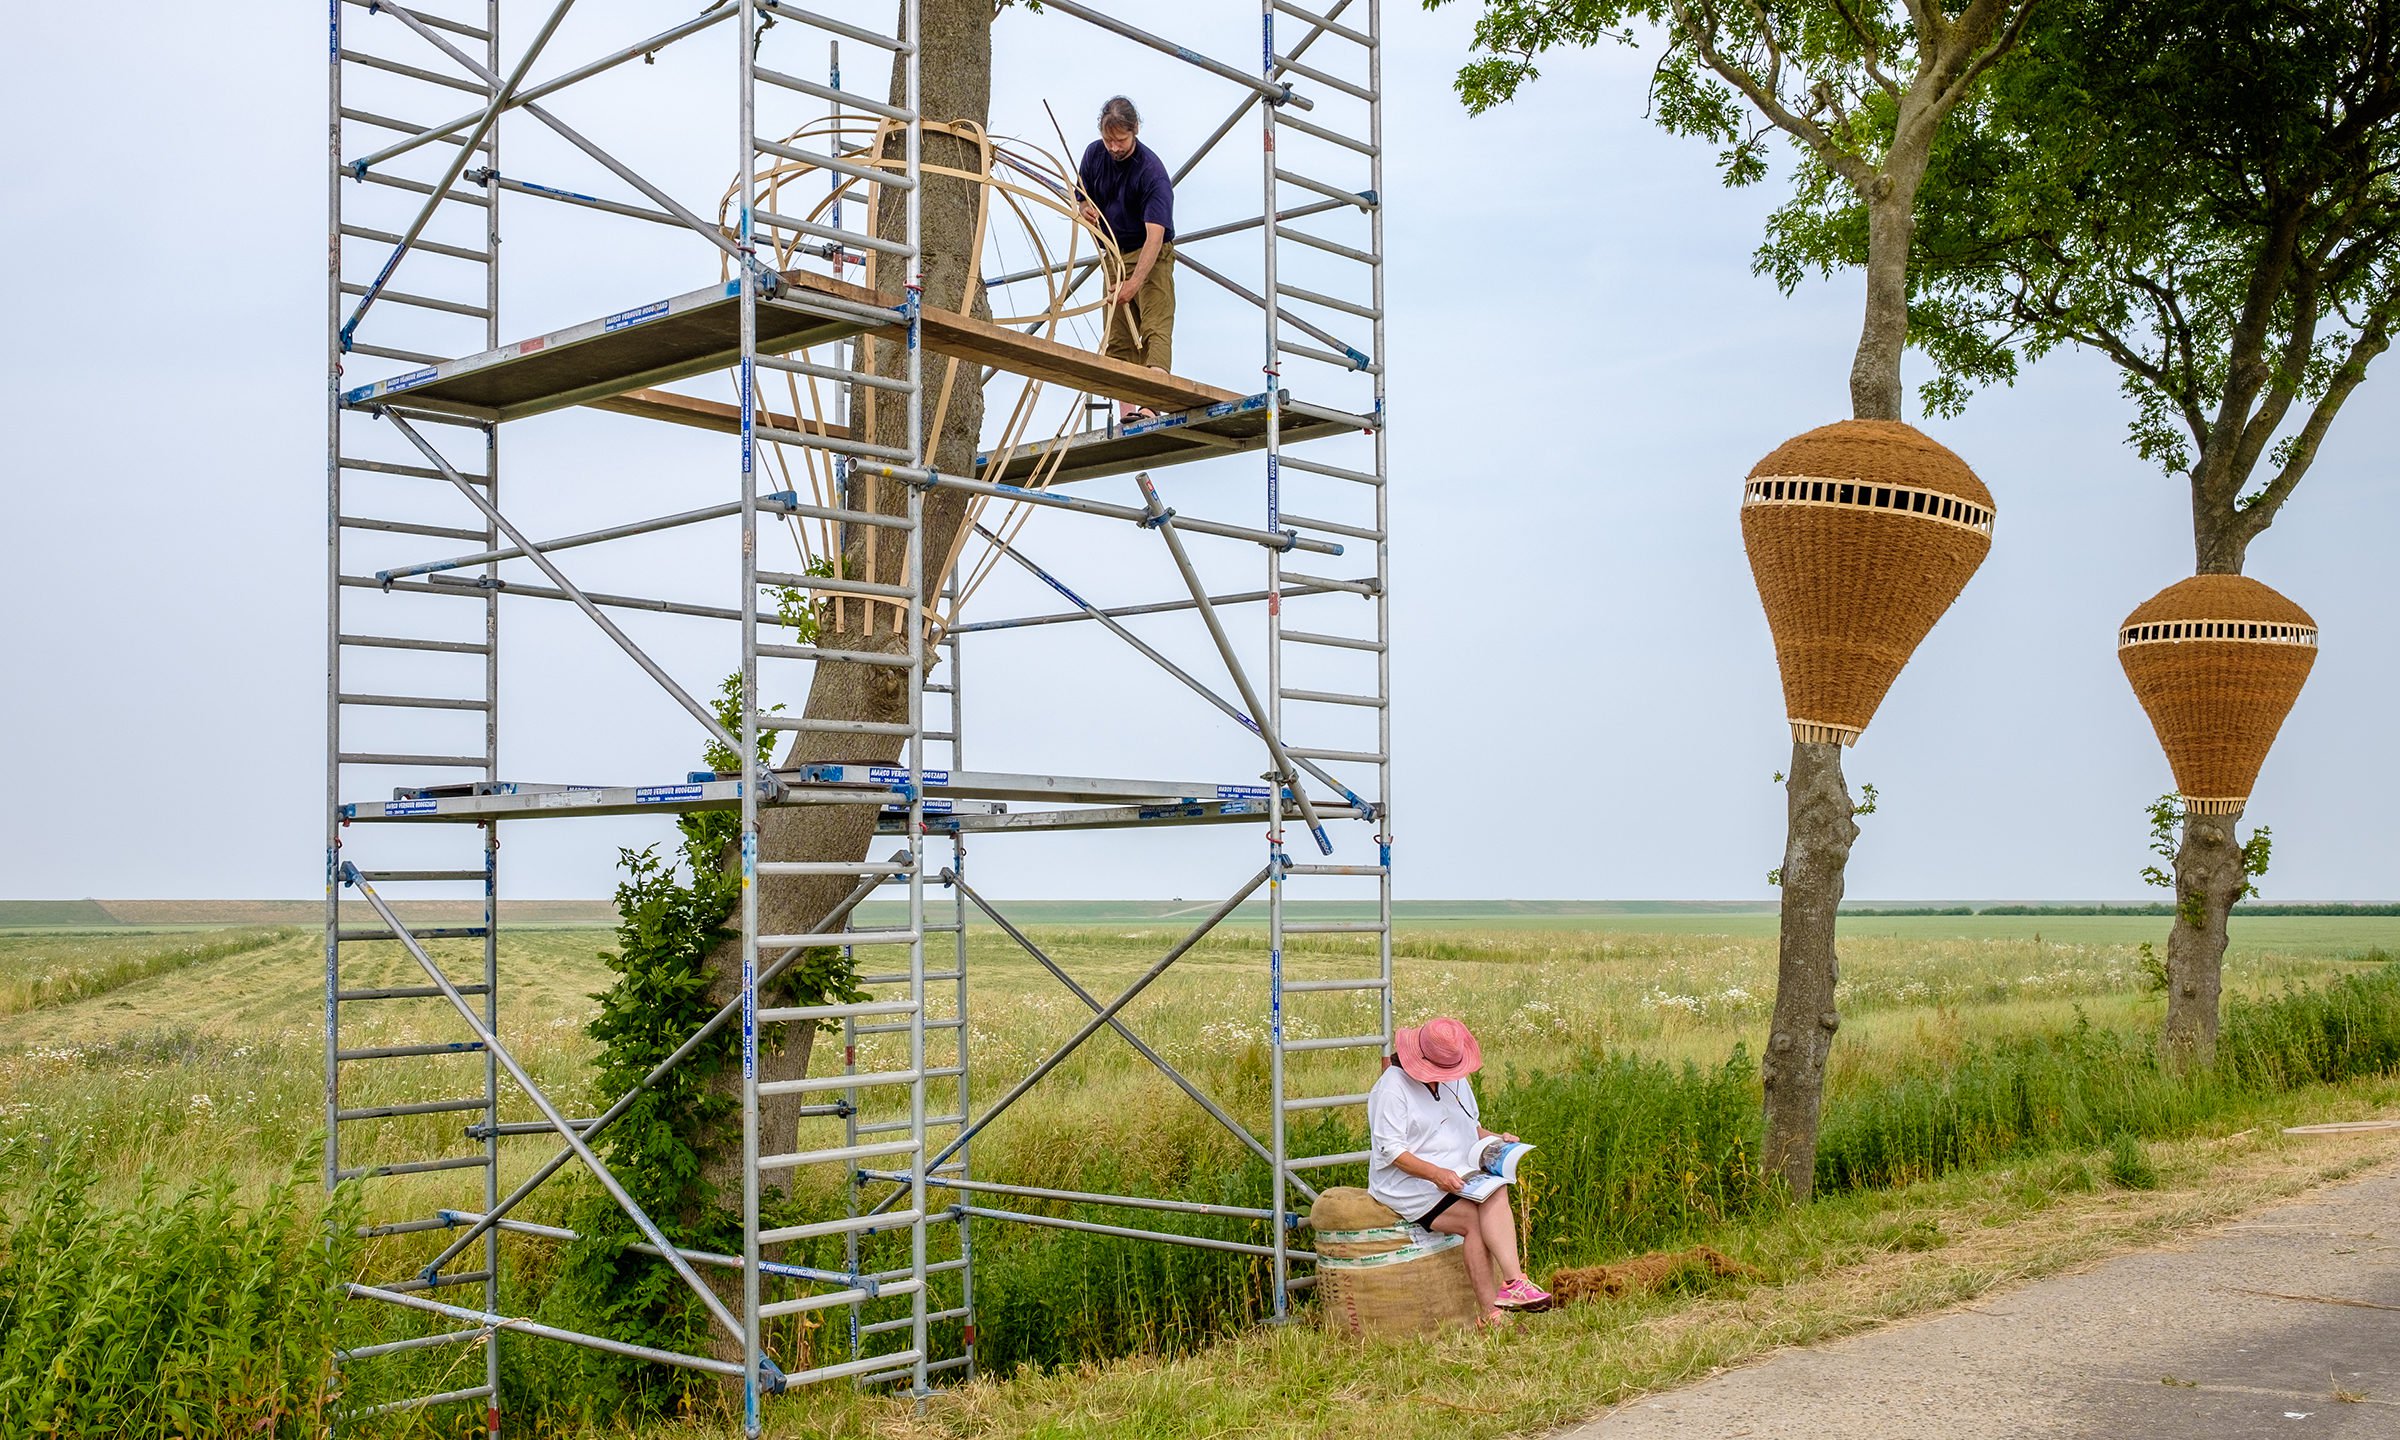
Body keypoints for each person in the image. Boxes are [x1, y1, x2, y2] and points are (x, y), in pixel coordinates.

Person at [1366, 1016, 1555, 1322]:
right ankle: (1497, 1307)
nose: (1444, 1076)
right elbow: (1393, 1152)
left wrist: (1497, 1140)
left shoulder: (1455, 1078)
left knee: (1497, 1188)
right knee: (1476, 1224)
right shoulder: (1391, 1089)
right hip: (1411, 1184)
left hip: (1460, 1171)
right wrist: (1436, 1174)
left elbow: (1470, 1127)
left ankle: (1511, 1287)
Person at [1075, 95, 1176, 421]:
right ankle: (1128, 410)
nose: (1114, 147)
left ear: (1135, 131)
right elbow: (1081, 196)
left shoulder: (1151, 172)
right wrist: (1084, 209)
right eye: (1109, 140)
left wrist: (1135, 281)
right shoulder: (1094, 154)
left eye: (1120, 140)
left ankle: (1151, 403)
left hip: (1151, 255)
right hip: (1114, 254)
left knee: (1154, 326)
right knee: (1117, 336)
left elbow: (1155, 235)